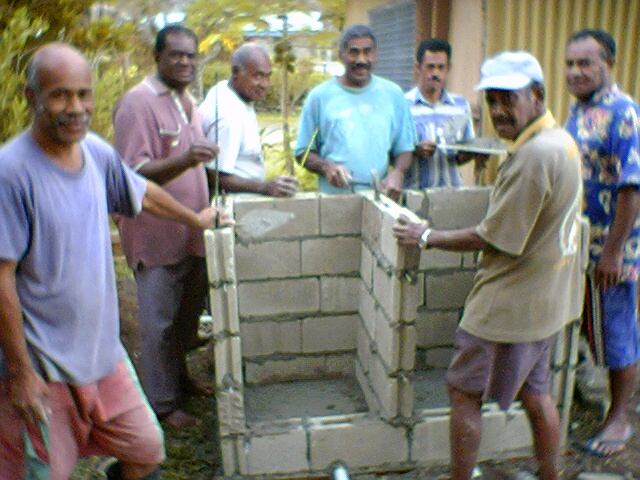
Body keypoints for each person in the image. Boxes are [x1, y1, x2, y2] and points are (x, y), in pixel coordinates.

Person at [0, 42, 230, 480]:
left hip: (103, 356)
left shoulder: (95, 152)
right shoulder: (11, 173)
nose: (76, 108)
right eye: (60, 95)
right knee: (42, 474)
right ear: (31, 98)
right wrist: (20, 372)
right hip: (44, 367)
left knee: (145, 452)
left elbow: (143, 193)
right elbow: (1, 278)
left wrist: (195, 219)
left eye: (83, 94)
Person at [393, 51, 584, 480]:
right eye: (491, 100)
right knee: (536, 393)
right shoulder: (559, 140)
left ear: (537, 95)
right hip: (545, 300)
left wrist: (426, 236)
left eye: (508, 99)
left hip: (507, 303)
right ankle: (550, 474)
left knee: (463, 392)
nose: (498, 111)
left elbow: (493, 237)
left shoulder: (534, 156)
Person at [113, 25, 219, 429]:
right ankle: (161, 404)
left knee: (185, 317)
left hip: (192, 231)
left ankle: (180, 380)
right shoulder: (137, 103)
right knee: (159, 323)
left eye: (191, 55)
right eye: (176, 55)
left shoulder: (185, 100)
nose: (185, 62)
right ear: (157, 57)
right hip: (156, 234)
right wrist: (187, 159)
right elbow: (133, 175)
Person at [564, 29, 640, 457]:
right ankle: (580, 395)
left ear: (608, 63)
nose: (575, 72)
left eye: (585, 63)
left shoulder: (624, 113)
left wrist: (612, 252)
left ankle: (620, 418)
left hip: (613, 251)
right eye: (570, 64)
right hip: (578, 247)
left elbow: (632, 187)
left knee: (617, 331)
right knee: (590, 327)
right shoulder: (579, 111)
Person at [294, 24, 416, 200]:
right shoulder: (319, 97)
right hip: (333, 200)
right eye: (353, 52)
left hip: (379, 198)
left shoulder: (393, 94)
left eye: (367, 52)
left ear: (376, 54)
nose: (361, 60)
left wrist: (398, 172)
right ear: (341, 55)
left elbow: (405, 148)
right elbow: (302, 152)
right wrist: (327, 167)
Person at [199, 43, 297, 197]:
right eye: (257, 76)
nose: (264, 84)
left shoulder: (229, 91)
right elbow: (215, 176)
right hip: (229, 204)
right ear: (236, 72)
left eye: (267, 76)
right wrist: (265, 187)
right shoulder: (228, 116)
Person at [405, 38, 478, 188]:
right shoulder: (404, 105)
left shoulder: (460, 106)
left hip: (451, 194)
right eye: (430, 67)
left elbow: (462, 155)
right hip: (414, 195)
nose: (435, 73)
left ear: (448, 68)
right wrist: (415, 150)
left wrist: (473, 153)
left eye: (441, 67)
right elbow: (391, 153)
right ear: (418, 67)